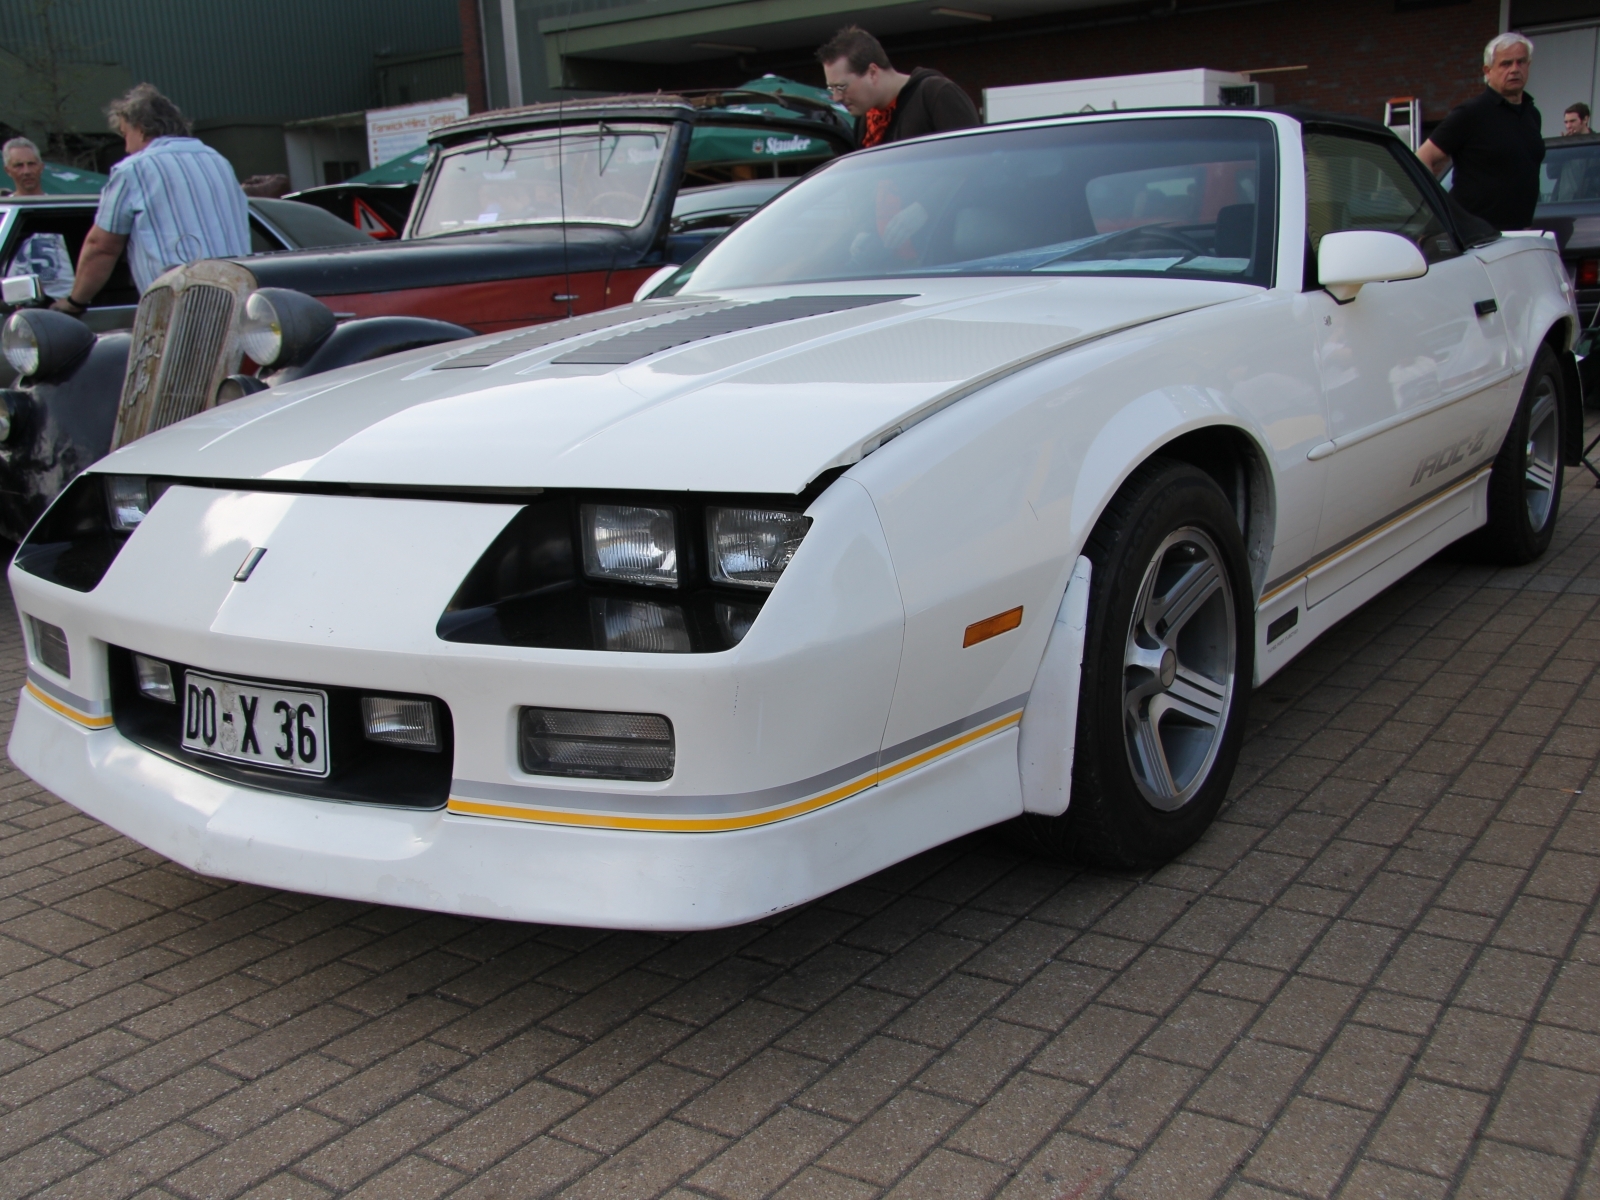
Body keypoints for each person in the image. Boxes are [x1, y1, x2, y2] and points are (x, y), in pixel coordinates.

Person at [52, 84, 249, 316]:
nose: (126, 147)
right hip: (240, 302)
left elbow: (101, 247)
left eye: (125, 135)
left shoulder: (134, 169)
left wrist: (75, 302)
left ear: (141, 129)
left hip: (181, 309)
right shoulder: (218, 161)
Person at [1417, 33, 1544, 231]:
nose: (1514, 69)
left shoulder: (1532, 115)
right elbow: (1423, 157)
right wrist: (1440, 209)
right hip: (1476, 235)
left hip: (1518, 232)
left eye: (1521, 62)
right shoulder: (1471, 113)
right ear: (1488, 70)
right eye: (1506, 64)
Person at [816, 26, 979, 148]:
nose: (836, 97)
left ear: (872, 72)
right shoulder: (864, 118)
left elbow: (974, 160)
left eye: (841, 87)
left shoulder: (935, 94)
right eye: (832, 89)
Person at [1, 137, 76, 299]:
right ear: (8, 170)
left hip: (66, 303)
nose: (26, 171)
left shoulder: (63, 210)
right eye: (18, 165)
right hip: (16, 305)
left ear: (41, 167)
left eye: (31, 164)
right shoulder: (4, 215)